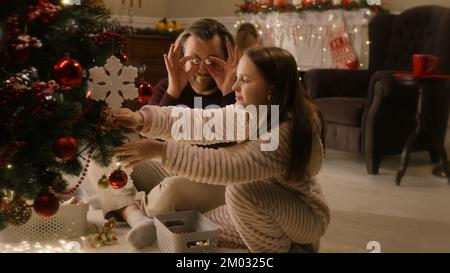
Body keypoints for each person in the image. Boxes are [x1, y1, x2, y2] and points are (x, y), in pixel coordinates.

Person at [113, 47, 329, 253]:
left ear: (271, 89)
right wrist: (142, 118)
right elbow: (198, 121)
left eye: (245, 80)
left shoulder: (285, 132)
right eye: (237, 78)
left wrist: (160, 151)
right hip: (265, 201)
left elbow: (229, 167)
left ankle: (291, 249)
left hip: (304, 216)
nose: (234, 87)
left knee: (238, 190)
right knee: (206, 226)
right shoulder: (254, 111)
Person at [97, 18, 239, 249]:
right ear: (182, 56)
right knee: (104, 153)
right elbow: (149, 143)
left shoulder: (240, 91)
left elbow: (241, 150)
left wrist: (228, 91)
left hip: (210, 176)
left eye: (212, 60)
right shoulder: (168, 85)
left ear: (228, 59)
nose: (202, 68)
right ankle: (136, 216)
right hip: (167, 164)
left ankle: (124, 202)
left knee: (170, 191)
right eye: (194, 59)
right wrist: (174, 89)